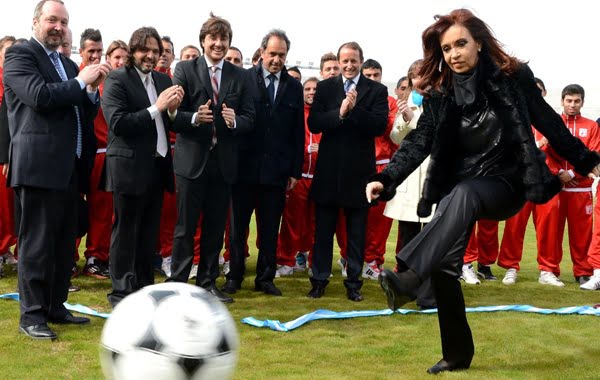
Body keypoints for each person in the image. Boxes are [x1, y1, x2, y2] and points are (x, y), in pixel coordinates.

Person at [366, 9, 600, 374]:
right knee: (445, 266)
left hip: (505, 183)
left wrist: (587, 160)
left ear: (478, 43)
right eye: (446, 49)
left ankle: (410, 276)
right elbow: (419, 142)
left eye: (461, 44)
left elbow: (550, 123)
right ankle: (456, 354)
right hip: (461, 185)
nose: (454, 54)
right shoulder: (442, 94)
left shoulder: (513, 79)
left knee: (465, 194)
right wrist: (388, 178)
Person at [3, 0, 111, 340]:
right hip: (37, 166)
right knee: (36, 245)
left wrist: (90, 91)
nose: (59, 27)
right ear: (36, 21)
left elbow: (80, 110)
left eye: (64, 22)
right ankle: (32, 315)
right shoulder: (21, 56)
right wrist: (81, 82)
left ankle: (55, 305)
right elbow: (40, 97)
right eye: (52, 19)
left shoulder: (65, 63)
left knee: (64, 245)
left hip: (69, 169)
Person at [168, 14, 254, 304]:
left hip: (223, 163)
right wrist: (194, 117)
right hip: (191, 162)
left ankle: (207, 282)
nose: (218, 44)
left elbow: (250, 118)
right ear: (203, 40)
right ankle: (178, 282)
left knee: (216, 228)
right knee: (184, 228)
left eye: (223, 39)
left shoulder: (240, 75)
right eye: (213, 38)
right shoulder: (184, 68)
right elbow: (172, 115)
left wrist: (234, 122)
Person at [100, 26, 183, 307]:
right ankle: (121, 292)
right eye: (145, 50)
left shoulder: (162, 79)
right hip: (128, 167)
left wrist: (173, 112)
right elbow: (119, 123)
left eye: (155, 51)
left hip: (158, 168)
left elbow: (167, 122)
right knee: (125, 232)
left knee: (149, 234)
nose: (150, 56)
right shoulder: (116, 79)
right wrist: (157, 108)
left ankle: (145, 289)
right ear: (133, 51)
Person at [223, 29, 303, 297]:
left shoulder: (294, 86)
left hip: (276, 171)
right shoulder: (244, 79)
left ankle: (265, 278)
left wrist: (294, 170)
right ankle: (234, 276)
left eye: (282, 55)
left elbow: (297, 132)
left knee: (270, 229)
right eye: (272, 54)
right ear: (261, 53)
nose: (277, 60)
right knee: (237, 229)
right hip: (244, 169)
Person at [307, 41, 388, 302]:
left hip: (359, 174)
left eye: (354, 60)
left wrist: (353, 112)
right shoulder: (325, 87)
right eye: (345, 61)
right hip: (329, 172)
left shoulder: (376, 90)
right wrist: (339, 114)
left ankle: (354, 283)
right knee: (323, 233)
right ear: (339, 62)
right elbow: (315, 122)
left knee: (356, 234)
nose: (349, 65)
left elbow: (378, 125)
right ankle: (318, 280)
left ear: (361, 61)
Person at [384, 59, 436, 309]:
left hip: (432, 180)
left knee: (433, 237)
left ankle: (427, 290)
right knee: (407, 236)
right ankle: (400, 284)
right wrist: (405, 118)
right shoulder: (408, 106)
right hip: (408, 181)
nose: (420, 81)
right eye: (416, 77)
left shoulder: (439, 103)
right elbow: (396, 137)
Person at [538, 84, 599, 285]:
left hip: (580, 189)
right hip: (556, 187)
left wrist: (573, 172)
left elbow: (595, 153)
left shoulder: (591, 126)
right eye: (569, 100)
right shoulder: (551, 123)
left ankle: (582, 271)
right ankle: (548, 270)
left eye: (577, 101)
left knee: (581, 234)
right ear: (562, 101)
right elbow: (544, 153)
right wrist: (559, 174)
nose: (572, 105)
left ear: (582, 102)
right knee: (551, 232)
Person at [75, 28, 111, 280]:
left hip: (100, 155)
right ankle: (67, 260)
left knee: (101, 209)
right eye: (91, 51)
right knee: (72, 209)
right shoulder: (71, 74)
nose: (96, 56)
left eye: (100, 51)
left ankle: (95, 258)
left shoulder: (110, 80)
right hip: (75, 155)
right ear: (82, 51)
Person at [276, 77, 319, 275]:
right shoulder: (297, 114)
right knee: (291, 221)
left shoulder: (325, 114)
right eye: (307, 89)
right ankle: (286, 260)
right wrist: (305, 150)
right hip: (299, 176)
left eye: (315, 89)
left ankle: (310, 260)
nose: (311, 92)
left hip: (319, 178)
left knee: (316, 223)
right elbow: (287, 143)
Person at [360, 58, 398, 280]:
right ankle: (351, 257)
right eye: (368, 76)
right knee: (354, 218)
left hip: (382, 166)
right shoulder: (354, 98)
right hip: (359, 165)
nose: (373, 79)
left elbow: (393, 133)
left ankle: (373, 261)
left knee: (380, 221)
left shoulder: (389, 101)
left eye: (376, 75)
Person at [0, 36, 17, 274]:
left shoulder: (16, 78)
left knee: (11, 209)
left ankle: (5, 250)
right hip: (4, 153)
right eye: (7, 52)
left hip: (17, 152)